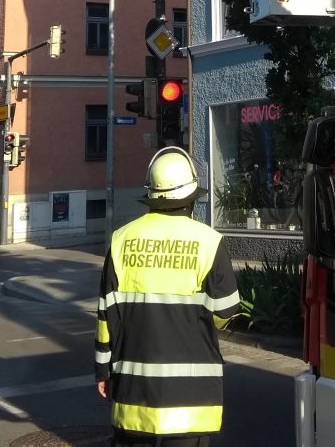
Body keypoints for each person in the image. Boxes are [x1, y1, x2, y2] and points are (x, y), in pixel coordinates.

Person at [95, 147, 241, 447]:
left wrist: (102, 370)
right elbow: (226, 313)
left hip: (134, 399)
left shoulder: (121, 240)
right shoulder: (209, 242)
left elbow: (105, 317)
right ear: (191, 199)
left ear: (151, 194)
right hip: (192, 405)